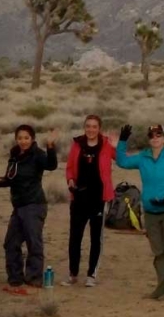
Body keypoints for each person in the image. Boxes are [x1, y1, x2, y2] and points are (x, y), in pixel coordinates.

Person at [115, 124, 164, 301]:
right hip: (151, 212)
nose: (155, 138)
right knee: (158, 252)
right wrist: (122, 141)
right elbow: (122, 161)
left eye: (158, 135)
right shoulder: (143, 158)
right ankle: (161, 287)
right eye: (152, 135)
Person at [0, 125, 57, 295]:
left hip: (34, 204)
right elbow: (12, 177)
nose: (23, 141)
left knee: (33, 243)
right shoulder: (14, 155)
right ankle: (15, 279)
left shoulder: (37, 154)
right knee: (11, 243)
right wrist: (2, 182)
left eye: (26, 138)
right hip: (18, 205)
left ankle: (34, 280)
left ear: (32, 139)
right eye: (20, 138)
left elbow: (51, 165)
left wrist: (50, 147)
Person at [61, 115, 115, 288]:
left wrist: (119, 145)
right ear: (84, 127)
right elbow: (69, 168)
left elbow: (121, 158)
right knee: (74, 237)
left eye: (94, 126)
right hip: (79, 198)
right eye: (88, 126)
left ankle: (91, 274)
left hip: (99, 198)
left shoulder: (106, 144)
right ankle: (73, 274)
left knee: (95, 238)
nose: (91, 129)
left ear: (99, 128)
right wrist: (70, 181)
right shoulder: (77, 144)